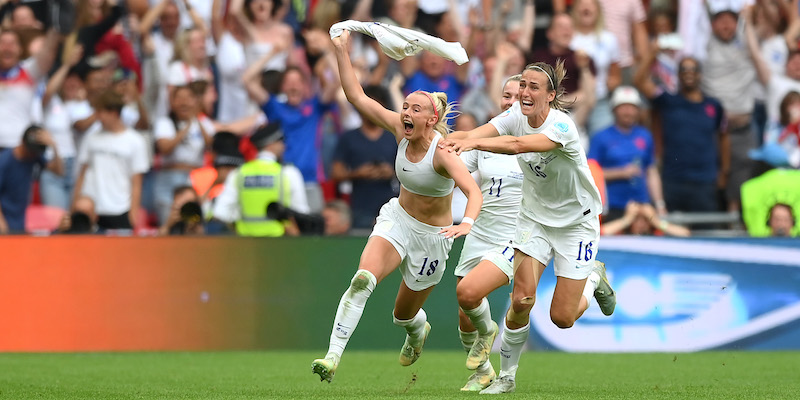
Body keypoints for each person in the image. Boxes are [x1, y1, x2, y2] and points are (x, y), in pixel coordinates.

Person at [312, 29, 482, 383]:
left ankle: (417, 331)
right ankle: (332, 357)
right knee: (362, 280)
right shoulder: (398, 128)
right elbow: (356, 96)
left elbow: (472, 191)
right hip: (398, 220)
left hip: (433, 237)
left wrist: (466, 222)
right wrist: (341, 49)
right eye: (405, 106)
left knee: (402, 315)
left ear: (431, 120)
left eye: (415, 109)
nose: (405, 112)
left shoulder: (443, 153)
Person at [440, 60, 616, 394]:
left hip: (576, 224)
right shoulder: (514, 115)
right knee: (521, 300)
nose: (524, 92)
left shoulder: (561, 126)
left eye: (534, 87)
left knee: (562, 318)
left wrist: (472, 143)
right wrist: (443, 140)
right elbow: (477, 134)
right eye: (523, 85)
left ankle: (594, 277)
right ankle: (507, 378)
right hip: (534, 220)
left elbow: (517, 145)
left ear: (550, 95)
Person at [450, 74, 523, 392]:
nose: (511, 102)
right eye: (507, 96)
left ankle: (491, 337)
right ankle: (483, 372)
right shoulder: (486, 138)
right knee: (464, 312)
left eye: (519, 97)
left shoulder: (541, 141)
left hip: (516, 236)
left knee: (470, 292)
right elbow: (455, 169)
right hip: (481, 231)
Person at [634, 46, 728, 214]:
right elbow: (639, 81)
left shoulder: (714, 106)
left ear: (700, 74)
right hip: (673, 180)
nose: (688, 73)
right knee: (672, 229)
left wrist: (724, 171)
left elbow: (724, 137)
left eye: (693, 69)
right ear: (677, 75)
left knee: (707, 229)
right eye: (683, 69)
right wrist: (652, 53)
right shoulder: (668, 101)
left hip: (705, 181)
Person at [212, 122, 310, 237]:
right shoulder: (289, 173)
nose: (284, 146)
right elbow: (301, 213)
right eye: (280, 141)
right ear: (271, 144)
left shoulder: (239, 173)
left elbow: (220, 213)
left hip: (246, 241)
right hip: (280, 241)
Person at [73, 90, 150, 231]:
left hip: (121, 208)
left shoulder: (135, 141)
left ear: (114, 113)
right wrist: (74, 204)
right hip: (92, 209)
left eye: (100, 112)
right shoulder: (91, 138)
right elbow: (82, 174)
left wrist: (133, 213)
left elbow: (137, 181)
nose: (97, 117)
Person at [588, 86, 666, 220]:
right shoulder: (600, 137)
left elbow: (651, 171)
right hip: (612, 206)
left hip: (642, 206)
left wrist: (659, 204)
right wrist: (621, 173)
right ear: (614, 109)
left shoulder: (645, 135)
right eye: (623, 107)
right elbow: (589, 174)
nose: (628, 112)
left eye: (632, 107)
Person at [331, 85, 398, 230]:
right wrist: (357, 173)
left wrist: (391, 172)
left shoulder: (394, 137)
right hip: (360, 207)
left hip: (391, 206)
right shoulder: (349, 138)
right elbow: (336, 173)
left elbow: (410, 170)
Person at [0, 126, 64, 234]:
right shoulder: (4, 161)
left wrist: (54, 146)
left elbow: (59, 171)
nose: (32, 154)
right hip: (4, 219)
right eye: (31, 151)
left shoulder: (34, 156)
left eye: (35, 152)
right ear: (22, 141)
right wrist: (1, 222)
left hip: (20, 220)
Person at [602, 201, 690, 237]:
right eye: (636, 219)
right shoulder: (621, 233)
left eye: (645, 219)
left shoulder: (656, 233)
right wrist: (626, 220)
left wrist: (656, 222)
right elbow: (600, 233)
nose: (641, 224)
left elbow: (685, 233)